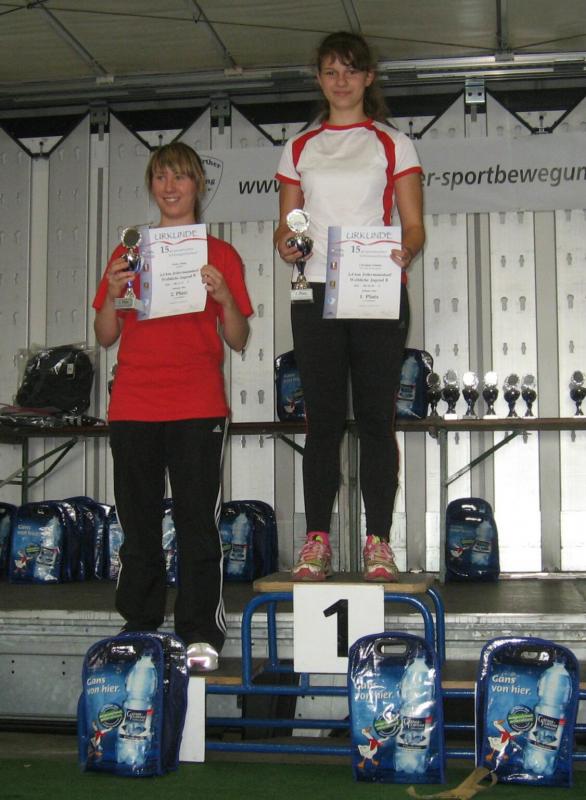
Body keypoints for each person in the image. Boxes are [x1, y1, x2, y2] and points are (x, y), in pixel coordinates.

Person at [93, 142, 253, 671]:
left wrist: (225, 299)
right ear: (151, 185)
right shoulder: (128, 253)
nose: (170, 187)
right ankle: (139, 623)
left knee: (196, 523)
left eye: (180, 177)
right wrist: (113, 293)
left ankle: (200, 632)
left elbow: (238, 339)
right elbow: (105, 335)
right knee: (138, 525)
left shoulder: (221, 254)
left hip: (197, 405)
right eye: (161, 177)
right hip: (134, 405)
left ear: (197, 186)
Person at [274, 31, 424, 582]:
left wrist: (405, 250)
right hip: (315, 291)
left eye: (351, 71)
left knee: (378, 420)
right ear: (319, 78)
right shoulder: (298, 147)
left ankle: (378, 542)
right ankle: (317, 540)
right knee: (323, 421)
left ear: (368, 78)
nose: (341, 81)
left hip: (375, 287)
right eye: (331, 72)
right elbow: (286, 226)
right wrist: (287, 244)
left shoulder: (394, 143)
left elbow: (414, 225)